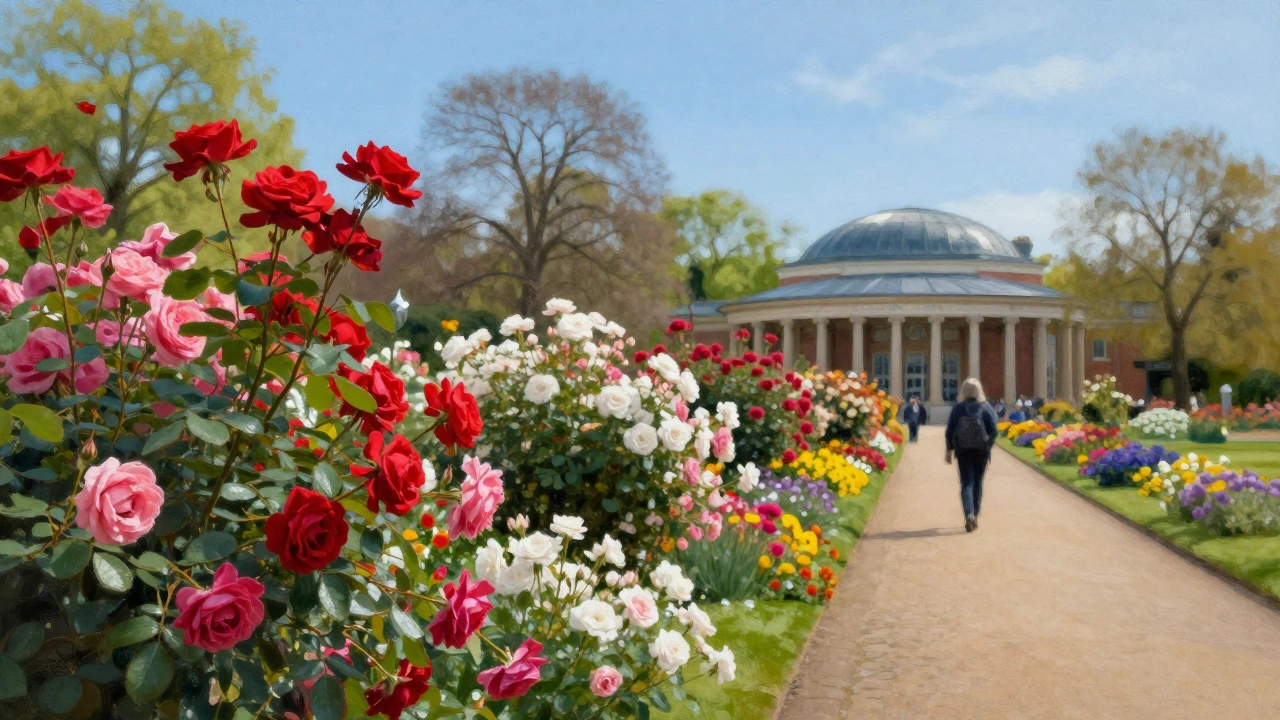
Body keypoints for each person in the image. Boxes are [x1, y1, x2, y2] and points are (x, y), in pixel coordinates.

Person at [944, 377, 999, 533]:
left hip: (963, 450)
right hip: (981, 451)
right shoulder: (985, 407)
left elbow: (949, 431)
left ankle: (969, 514)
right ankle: (975, 513)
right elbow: (994, 430)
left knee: (966, 482)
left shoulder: (958, 408)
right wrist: (988, 445)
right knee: (978, 482)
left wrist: (949, 450)